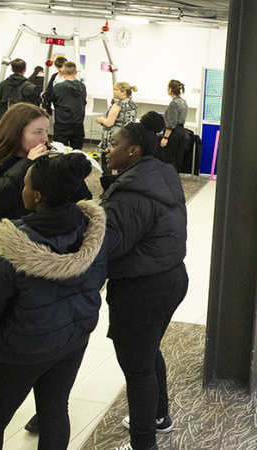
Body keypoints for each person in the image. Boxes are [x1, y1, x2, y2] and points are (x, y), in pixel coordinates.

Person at [0, 153, 105, 450]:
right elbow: (98, 280)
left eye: (26, 185)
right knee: (54, 411)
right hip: (73, 338)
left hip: (21, 347)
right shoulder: (92, 231)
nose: (22, 191)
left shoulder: (13, 243)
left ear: (38, 196)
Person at [100, 112, 188, 449]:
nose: (108, 148)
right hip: (170, 278)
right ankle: (158, 415)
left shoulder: (129, 195)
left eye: (116, 143)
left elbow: (110, 245)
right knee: (148, 351)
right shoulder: (160, 175)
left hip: (142, 288)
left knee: (136, 368)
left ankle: (143, 443)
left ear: (134, 151)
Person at [0, 103, 56, 289]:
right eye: (37, 132)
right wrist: (26, 164)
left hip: (34, 247)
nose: (44, 139)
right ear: (16, 132)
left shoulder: (43, 158)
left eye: (46, 131)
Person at [47, 62, 88, 151]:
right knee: (76, 152)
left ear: (62, 72)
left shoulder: (58, 87)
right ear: (76, 72)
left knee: (61, 152)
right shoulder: (82, 87)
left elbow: (50, 100)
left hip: (62, 124)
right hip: (78, 124)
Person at [97, 81, 139, 152]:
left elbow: (109, 123)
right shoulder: (133, 104)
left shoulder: (118, 105)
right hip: (127, 136)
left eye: (116, 90)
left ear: (124, 92)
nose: (114, 92)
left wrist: (101, 120)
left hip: (115, 137)